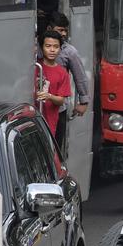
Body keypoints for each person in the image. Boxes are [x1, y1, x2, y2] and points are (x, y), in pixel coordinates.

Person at [41, 13, 90, 150]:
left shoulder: (70, 52)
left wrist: (83, 102)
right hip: (38, 107)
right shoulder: (37, 48)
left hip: (58, 108)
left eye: (65, 30)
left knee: (55, 147)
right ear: (49, 28)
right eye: (60, 30)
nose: (63, 33)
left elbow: (80, 76)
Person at [35, 30, 71, 143]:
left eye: (56, 47)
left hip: (49, 122)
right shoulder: (34, 66)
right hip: (30, 119)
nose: (52, 50)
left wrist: (49, 96)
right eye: (48, 46)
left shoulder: (62, 73)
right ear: (41, 47)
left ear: (60, 49)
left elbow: (61, 100)